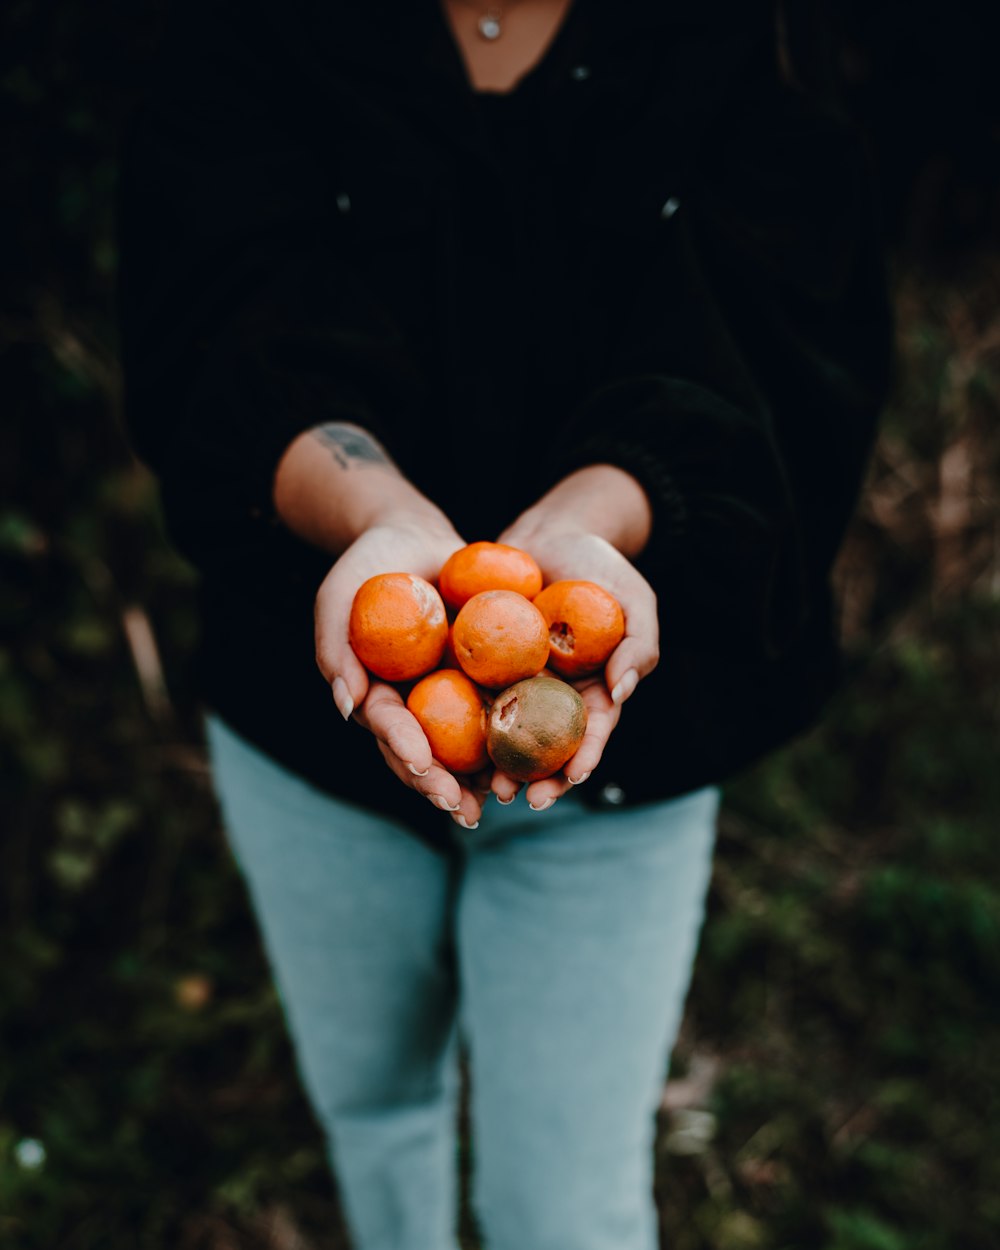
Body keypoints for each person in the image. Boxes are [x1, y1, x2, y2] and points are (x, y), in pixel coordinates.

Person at [115, 0, 892, 1245]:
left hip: (619, 749)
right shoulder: (259, 35)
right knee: (373, 1112)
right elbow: (212, 317)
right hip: (313, 718)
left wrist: (602, 512)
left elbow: (781, 342)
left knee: (565, 1213)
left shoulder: (744, 43)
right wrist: (374, 513)